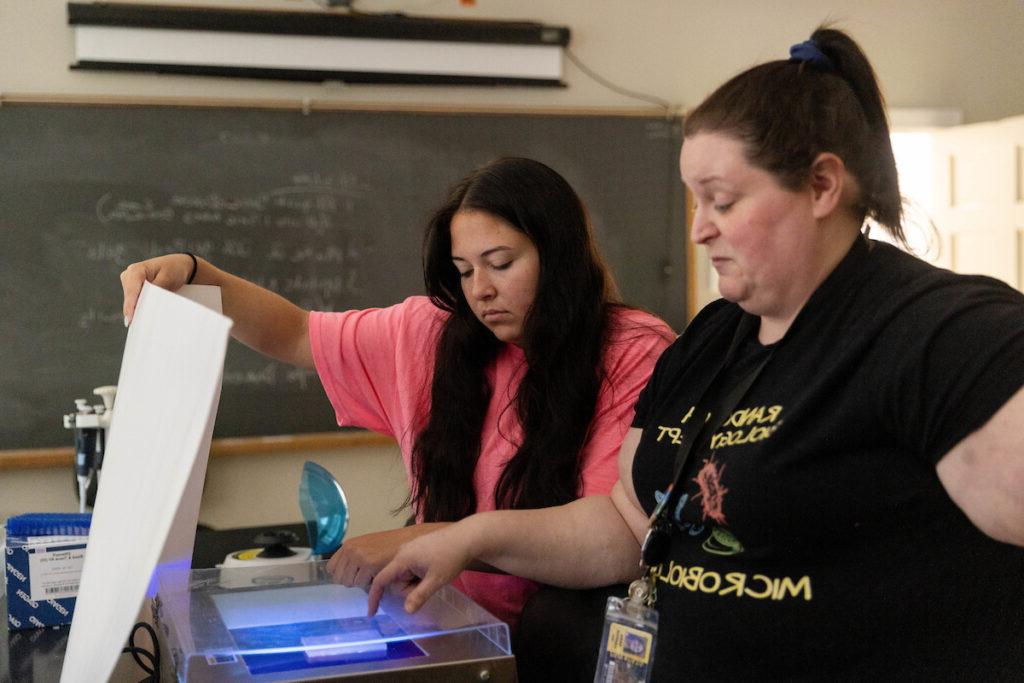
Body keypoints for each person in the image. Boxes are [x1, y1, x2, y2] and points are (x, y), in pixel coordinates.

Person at [367, 28, 1024, 680]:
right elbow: (627, 524)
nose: (698, 227)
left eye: (724, 200)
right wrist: (473, 536)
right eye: (694, 199)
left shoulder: (937, 331)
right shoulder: (714, 338)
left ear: (823, 186)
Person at [120, 156, 675, 628]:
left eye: (501, 264)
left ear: (560, 255)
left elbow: (617, 539)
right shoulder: (430, 333)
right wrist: (194, 272)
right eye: (463, 271)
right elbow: (293, 333)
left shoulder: (632, 351)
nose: (481, 290)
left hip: (565, 644)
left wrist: (443, 538)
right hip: (447, 627)